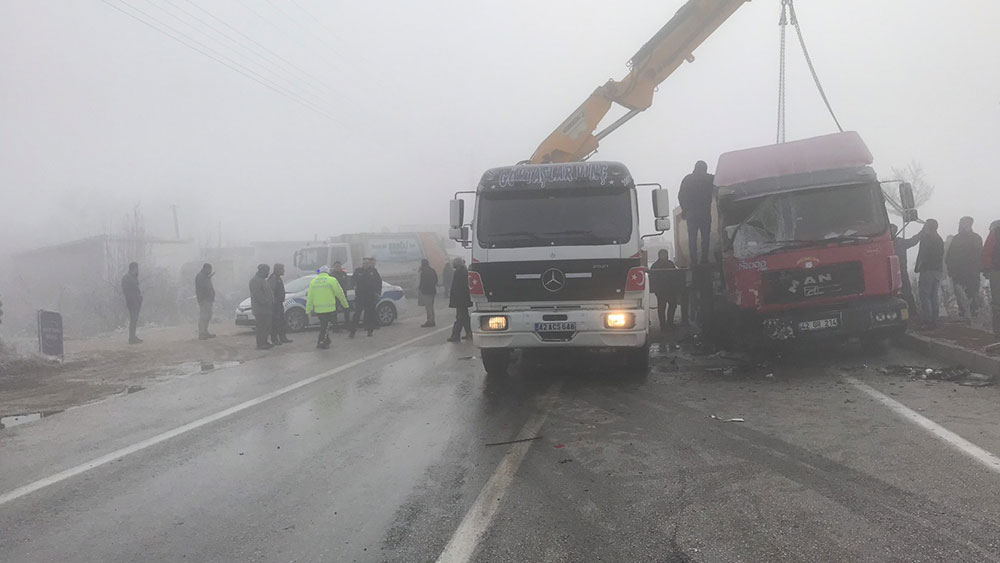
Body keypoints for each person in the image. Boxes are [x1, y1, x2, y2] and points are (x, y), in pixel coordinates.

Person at [945, 217, 984, 319]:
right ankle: (970, 317)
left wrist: (951, 269)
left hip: (965, 273)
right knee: (966, 296)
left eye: (962, 223)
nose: (960, 225)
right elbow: (950, 256)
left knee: (968, 296)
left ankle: (970, 317)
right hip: (966, 273)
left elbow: (950, 256)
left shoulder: (960, 238)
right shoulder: (975, 238)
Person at [678, 160, 715, 265]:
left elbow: (680, 196)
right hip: (704, 213)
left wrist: (685, 209)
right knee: (705, 238)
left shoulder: (687, 179)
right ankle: (704, 259)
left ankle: (693, 261)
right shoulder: (709, 178)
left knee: (692, 239)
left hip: (691, 213)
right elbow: (719, 181)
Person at [306, 265, 349, 349]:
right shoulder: (332, 280)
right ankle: (321, 342)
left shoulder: (313, 281)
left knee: (324, 325)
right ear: (328, 272)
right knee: (325, 326)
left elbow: (310, 296)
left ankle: (326, 340)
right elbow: (340, 293)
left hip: (318, 309)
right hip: (329, 308)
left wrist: (308, 309)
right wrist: (345, 305)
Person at [915, 219, 945, 329]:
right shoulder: (939, 239)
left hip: (927, 270)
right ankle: (934, 319)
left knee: (925, 295)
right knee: (933, 295)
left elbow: (923, 254)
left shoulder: (927, 238)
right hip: (937, 270)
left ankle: (927, 320)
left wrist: (918, 267)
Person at [891, 224, 921, 317]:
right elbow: (912, 241)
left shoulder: (899, 242)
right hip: (897, 270)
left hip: (900, 270)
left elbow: (912, 241)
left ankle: (911, 313)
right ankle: (909, 314)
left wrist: (920, 234)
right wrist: (920, 234)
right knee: (904, 293)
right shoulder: (899, 242)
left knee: (906, 292)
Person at [350, 257, 382, 338]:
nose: (365, 265)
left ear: (369, 264)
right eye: (364, 263)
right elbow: (352, 280)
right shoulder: (358, 271)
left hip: (370, 296)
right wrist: (354, 287)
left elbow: (379, 282)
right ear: (362, 263)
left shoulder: (373, 271)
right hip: (360, 296)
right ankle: (352, 331)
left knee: (370, 314)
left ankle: (370, 331)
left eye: (367, 263)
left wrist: (378, 293)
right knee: (357, 314)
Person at [649, 249, 679, 331]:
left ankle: (668, 323)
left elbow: (675, 276)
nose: (665, 256)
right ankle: (664, 325)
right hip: (664, 290)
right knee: (663, 307)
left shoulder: (656, 265)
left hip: (667, 290)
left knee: (669, 306)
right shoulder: (665, 264)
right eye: (663, 254)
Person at [249, 264, 274, 350]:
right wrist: (266, 302)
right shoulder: (255, 281)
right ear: (261, 271)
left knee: (266, 326)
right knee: (261, 327)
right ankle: (260, 344)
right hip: (260, 309)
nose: (268, 273)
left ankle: (265, 341)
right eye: (266, 271)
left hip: (266, 309)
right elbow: (257, 295)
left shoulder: (263, 280)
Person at [447, 257, 472, 342]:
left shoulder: (459, 272)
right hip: (463, 299)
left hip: (460, 299)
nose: (453, 264)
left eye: (454, 263)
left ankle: (455, 335)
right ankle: (469, 333)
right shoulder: (464, 271)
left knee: (460, 317)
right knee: (465, 317)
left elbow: (458, 287)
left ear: (457, 263)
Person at [983, 220, 1000, 340]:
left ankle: (997, 332)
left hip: (996, 270)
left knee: (997, 303)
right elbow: (987, 252)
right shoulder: (996, 232)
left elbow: (986, 252)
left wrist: (988, 268)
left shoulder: (995, 232)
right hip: (996, 270)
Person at [268, 263, 292, 345]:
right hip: (275, 305)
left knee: (282, 321)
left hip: (279, 303)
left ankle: (283, 338)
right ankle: (274, 339)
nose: (284, 271)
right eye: (282, 269)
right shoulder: (273, 278)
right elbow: (271, 292)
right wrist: (275, 302)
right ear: (278, 270)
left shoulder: (278, 278)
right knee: (275, 322)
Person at [121, 262, 143, 344]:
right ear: (133, 268)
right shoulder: (127, 278)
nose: (137, 270)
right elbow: (127, 291)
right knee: (133, 319)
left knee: (134, 319)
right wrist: (132, 299)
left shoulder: (132, 277)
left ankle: (133, 337)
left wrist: (139, 299)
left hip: (136, 301)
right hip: (132, 302)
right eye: (136, 268)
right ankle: (132, 338)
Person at [194, 263, 216, 340]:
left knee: (208, 316)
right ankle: (202, 333)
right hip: (204, 300)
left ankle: (205, 332)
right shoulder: (201, 276)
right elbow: (203, 288)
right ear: (206, 268)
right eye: (210, 269)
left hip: (208, 300)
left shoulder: (205, 276)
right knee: (203, 316)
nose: (210, 271)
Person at [418, 258, 439, 327]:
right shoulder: (432, 270)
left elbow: (422, 282)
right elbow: (436, 280)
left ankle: (430, 321)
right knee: (431, 307)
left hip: (426, 292)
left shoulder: (424, 272)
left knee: (428, 307)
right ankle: (432, 320)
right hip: (432, 291)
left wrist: (421, 289)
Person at [330, 260, 350, 329]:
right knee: (334, 312)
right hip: (334, 296)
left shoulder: (344, 274)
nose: (338, 267)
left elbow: (347, 284)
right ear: (334, 267)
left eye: (339, 266)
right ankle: (335, 327)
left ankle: (347, 325)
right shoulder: (331, 275)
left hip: (343, 295)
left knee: (346, 310)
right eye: (336, 266)